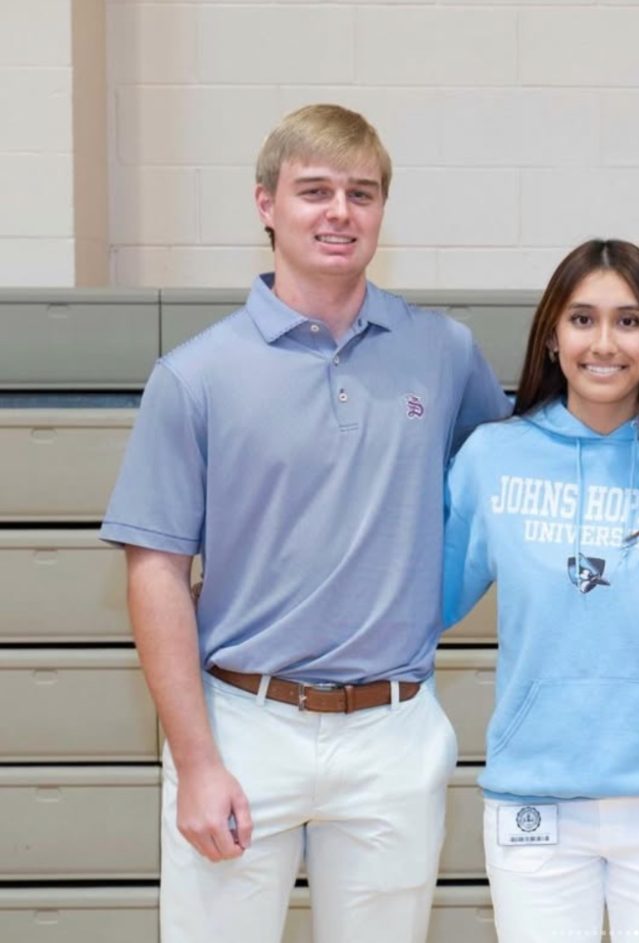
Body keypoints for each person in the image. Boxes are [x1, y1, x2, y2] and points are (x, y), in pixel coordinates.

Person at [99, 104, 510, 943]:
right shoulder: (195, 376)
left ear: (382, 211)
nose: (339, 212)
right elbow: (155, 573)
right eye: (314, 190)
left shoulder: (444, 351)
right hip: (243, 725)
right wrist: (198, 759)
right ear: (265, 204)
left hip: (393, 728)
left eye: (361, 193)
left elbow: (502, 487)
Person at [442, 239, 639, 943]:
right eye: (582, 319)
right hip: (537, 798)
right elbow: (423, 602)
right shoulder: (492, 458)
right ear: (551, 336)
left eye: (629, 320)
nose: (604, 342)